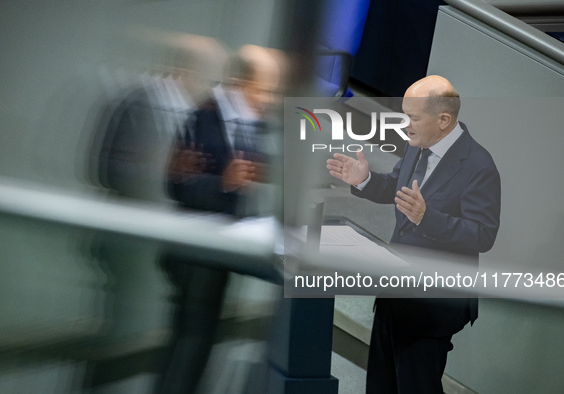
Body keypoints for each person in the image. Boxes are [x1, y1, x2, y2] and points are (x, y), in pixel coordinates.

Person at [326, 75, 501, 393]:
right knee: (380, 386)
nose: (405, 125)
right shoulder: (418, 145)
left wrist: (426, 217)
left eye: (413, 117)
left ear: (443, 119)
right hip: (395, 292)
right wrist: (365, 180)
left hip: (432, 306)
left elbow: (482, 234)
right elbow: (397, 187)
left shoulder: (479, 166)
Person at [157, 44, 283, 394]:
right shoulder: (204, 117)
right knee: (190, 341)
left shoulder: (249, 125)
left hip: (220, 249)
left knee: (201, 340)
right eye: (265, 90)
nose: (269, 100)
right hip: (194, 251)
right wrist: (225, 184)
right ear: (242, 83)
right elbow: (177, 184)